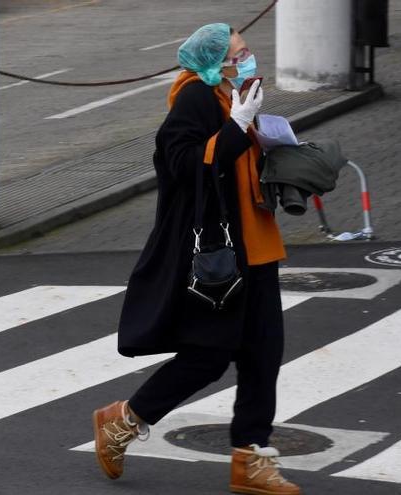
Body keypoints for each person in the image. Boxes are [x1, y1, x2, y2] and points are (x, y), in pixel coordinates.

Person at [91, 23, 300, 495]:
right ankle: (122, 420)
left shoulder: (231, 93)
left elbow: (239, 163)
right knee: (208, 356)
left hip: (258, 244)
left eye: (247, 51)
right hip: (220, 251)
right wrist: (238, 126)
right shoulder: (194, 98)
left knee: (263, 355)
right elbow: (186, 164)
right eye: (239, 54)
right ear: (214, 62)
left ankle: (250, 460)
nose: (248, 59)